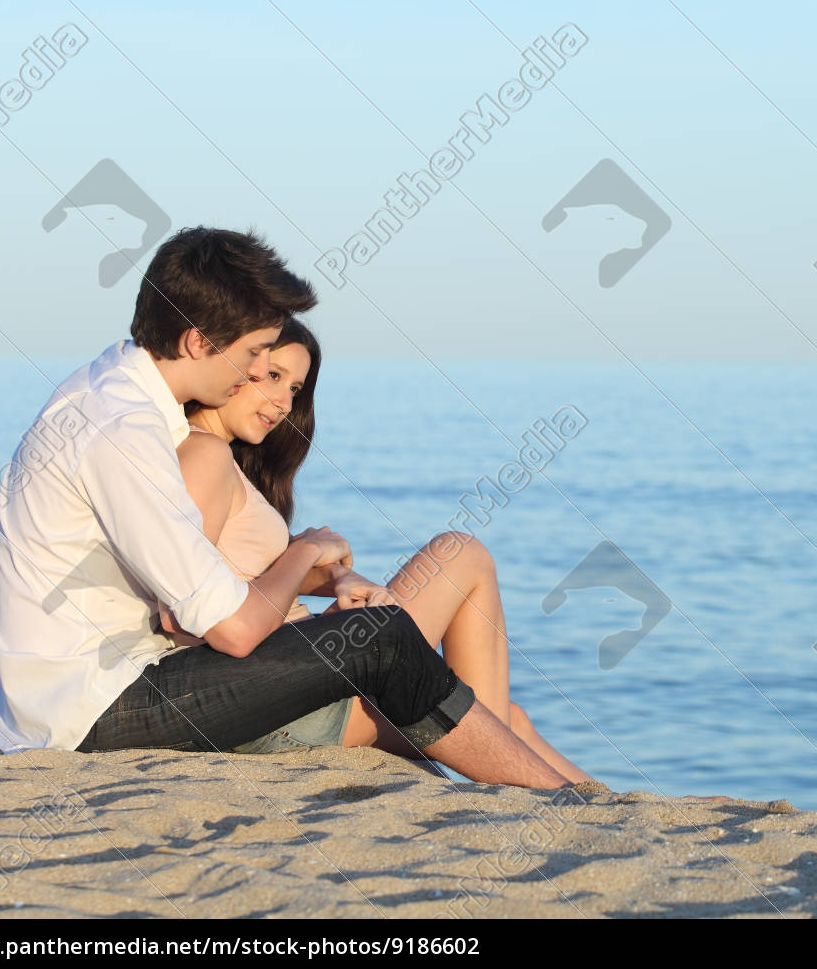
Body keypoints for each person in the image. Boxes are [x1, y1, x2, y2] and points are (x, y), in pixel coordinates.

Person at [0, 225, 571, 789]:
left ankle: (550, 792)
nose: (254, 377)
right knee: (379, 637)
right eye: (256, 354)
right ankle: (561, 803)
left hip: (75, 697)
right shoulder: (122, 432)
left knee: (393, 646)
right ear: (197, 342)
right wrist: (307, 551)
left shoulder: (110, 389)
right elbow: (232, 630)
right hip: (94, 710)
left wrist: (313, 578)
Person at [167, 316, 594, 783]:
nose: (284, 402)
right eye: (272, 375)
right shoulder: (204, 455)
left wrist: (335, 579)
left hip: (293, 677)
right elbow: (185, 608)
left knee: (511, 718)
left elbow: (236, 572)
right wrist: (305, 558)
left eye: (295, 388)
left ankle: (596, 803)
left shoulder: (223, 461)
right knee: (461, 554)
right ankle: (494, 761)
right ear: (239, 360)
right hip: (282, 699)